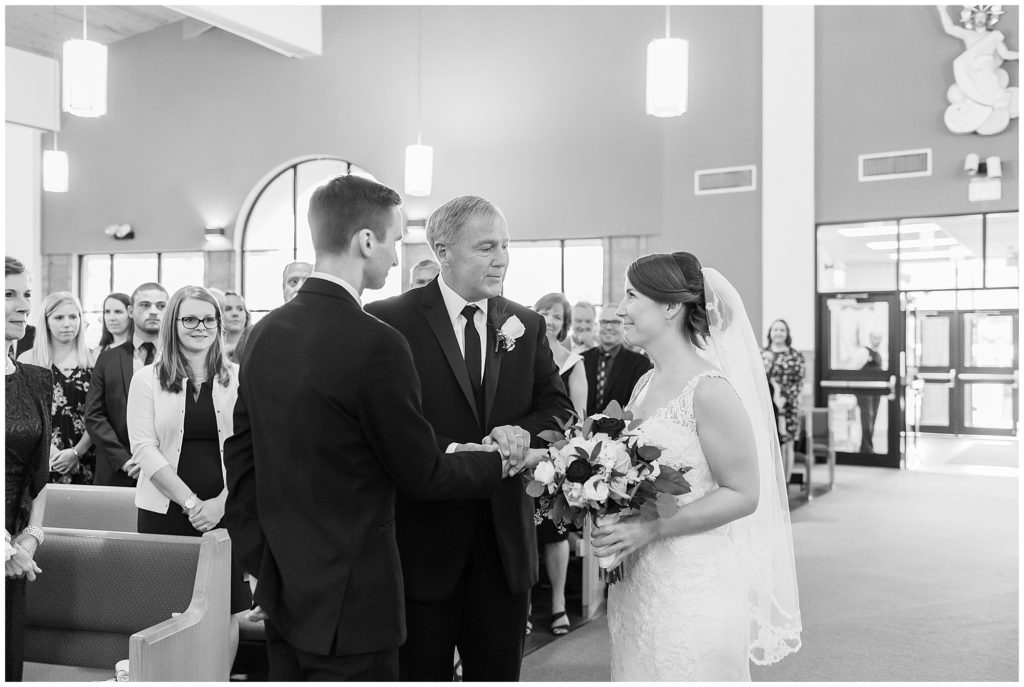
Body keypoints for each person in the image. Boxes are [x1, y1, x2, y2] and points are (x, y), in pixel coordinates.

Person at [224, 175, 543, 681]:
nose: (396, 258)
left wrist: (259, 566)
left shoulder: (264, 333)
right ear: (365, 241)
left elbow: (241, 457)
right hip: (358, 593)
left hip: (285, 585)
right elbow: (421, 471)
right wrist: (500, 460)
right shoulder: (376, 339)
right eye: (394, 241)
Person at [367, 195, 573, 682]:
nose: (501, 259)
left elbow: (559, 409)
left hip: (504, 543)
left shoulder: (525, 324)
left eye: (505, 246)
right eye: (485, 248)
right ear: (444, 250)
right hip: (423, 540)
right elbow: (387, 419)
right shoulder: (389, 319)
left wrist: (520, 431)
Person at [591, 252, 801, 680]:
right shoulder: (645, 382)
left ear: (670, 307)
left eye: (631, 295)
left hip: (692, 586)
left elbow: (744, 494)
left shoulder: (709, 390)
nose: (619, 309)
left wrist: (651, 528)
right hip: (640, 582)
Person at [127, 285, 251, 665]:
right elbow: (144, 449)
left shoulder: (239, 377)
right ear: (173, 324)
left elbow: (255, 446)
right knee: (164, 606)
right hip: (165, 510)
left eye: (208, 319)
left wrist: (220, 504)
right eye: (190, 319)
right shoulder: (147, 379)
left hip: (227, 510)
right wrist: (193, 504)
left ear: (219, 324)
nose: (201, 327)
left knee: (225, 608)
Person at [5, 257, 53, 682]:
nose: (23, 306)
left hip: (19, 550)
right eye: (9, 294)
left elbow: (40, 475)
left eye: (26, 295)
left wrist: (30, 538)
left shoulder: (37, 380)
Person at [530, 291, 587, 637]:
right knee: (520, 530)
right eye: (543, 313)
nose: (549, 320)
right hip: (523, 452)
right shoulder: (518, 353)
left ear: (564, 325)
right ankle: (522, 608)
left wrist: (565, 456)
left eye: (556, 316)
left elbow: (577, 416)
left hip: (556, 454)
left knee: (554, 532)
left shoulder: (572, 362)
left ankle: (558, 605)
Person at [85, 282, 168, 487]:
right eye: (145, 305)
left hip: (169, 471)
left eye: (160, 306)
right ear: (131, 310)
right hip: (118, 469)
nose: (153, 312)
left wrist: (156, 463)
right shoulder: (108, 358)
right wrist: (124, 460)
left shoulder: (180, 359)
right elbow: (94, 415)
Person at [19, 292, 96, 485]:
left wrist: (77, 451)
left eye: (73, 316)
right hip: (43, 456)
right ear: (46, 321)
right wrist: (52, 453)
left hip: (85, 455)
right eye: (59, 317)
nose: (67, 324)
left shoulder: (94, 359)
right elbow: (25, 414)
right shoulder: (28, 360)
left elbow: (100, 414)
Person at [582, 304, 652, 416]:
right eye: (604, 322)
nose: (609, 327)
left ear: (624, 326)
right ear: (597, 326)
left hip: (621, 430)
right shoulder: (582, 360)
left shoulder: (639, 364)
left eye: (615, 322)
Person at [764, 319, 806, 452]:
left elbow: (799, 381)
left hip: (788, 405)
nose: (778, 333)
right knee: (768, 442)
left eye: (782, 330)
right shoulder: (762, 354)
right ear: (770, 332)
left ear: (787, 334)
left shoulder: (795, 355)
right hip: (767, 405)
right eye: (775, 329)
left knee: (788, 445)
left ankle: (787, 474)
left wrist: (783, 399)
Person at [855, 331, 884, 453]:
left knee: (873, 418)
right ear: (870, 337)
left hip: (876, 390)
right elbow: (854, 369)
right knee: (867, 418)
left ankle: (867, 446)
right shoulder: (863, 352)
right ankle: (866, 449)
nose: (877, 340)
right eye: (875, 337)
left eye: (879, 338)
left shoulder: (878, 353)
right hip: (864, 391)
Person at [91, 292, 132, 365]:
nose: (112, 318)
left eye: (118, 312)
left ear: (130, 314)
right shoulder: (96, 354)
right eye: (107, 312)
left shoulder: (140, 352)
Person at [222, 291, 252, 364]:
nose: (235, 313)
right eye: (228, 309)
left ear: (246, 315)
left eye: (240, 309)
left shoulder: (256, 346)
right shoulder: (208, 352)